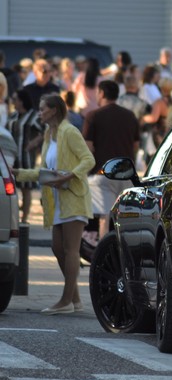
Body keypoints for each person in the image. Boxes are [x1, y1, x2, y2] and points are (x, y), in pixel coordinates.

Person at [13, 93, 95, 315]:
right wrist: (18, 174)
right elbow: (46, 173)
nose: (39, 112)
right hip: (58, 201)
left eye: (42, 109)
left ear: (55, 110)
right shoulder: (50, 134)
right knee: (57, 248)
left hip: (73, 198)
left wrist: (68, 176)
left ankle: (66, 301)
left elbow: (89, 159)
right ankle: (75, 299)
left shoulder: (69, 132)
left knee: (70, 251)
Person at [84, 80, 140, 240]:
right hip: (126, 173)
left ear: (101, 93)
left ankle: (105, 256)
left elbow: (88, 147)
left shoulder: (93, 116)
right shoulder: (130, 116)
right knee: (123, 219)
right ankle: (125, 255)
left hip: (101, 173)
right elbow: (136, 145)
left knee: (104, 218)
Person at [7, 89, 42, 223]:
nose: (13, 102)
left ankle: (24, 219)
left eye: (15, 99)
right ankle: (13, 217)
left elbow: (44, 131)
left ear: (21, 101)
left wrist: (34, 143)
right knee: (11, 187)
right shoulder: (13, 116)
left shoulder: (33, 116)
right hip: (11, 156)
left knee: (26, 187)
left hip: (26, 156)